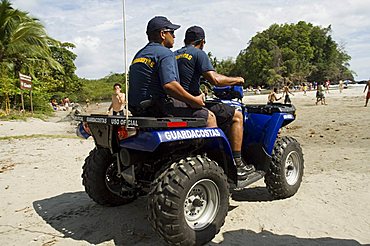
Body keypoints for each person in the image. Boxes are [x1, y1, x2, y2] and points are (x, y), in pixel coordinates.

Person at [174, 25, 254, 179]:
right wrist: (238, 79)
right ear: (202, 42)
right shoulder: (198, 53)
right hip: (192, 101)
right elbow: (215, 79)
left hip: (176, 103)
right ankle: (238, 163)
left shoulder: (174, 55)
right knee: (236, 116)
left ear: (185, 40)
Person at [128, 16, 216, 129]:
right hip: (158, 108)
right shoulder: (165, 53)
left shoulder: (139, 55)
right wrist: (194, 100)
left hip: (138, 110)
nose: (174, 36)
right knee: (209, 117)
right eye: (172, 32)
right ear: (162, 34)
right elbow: (170, 85)